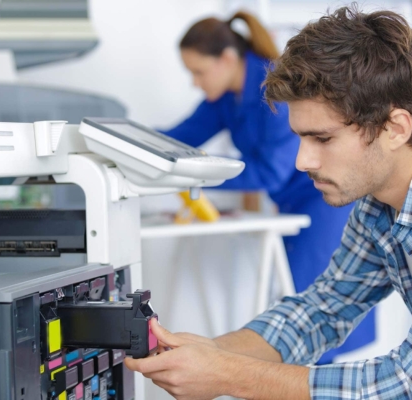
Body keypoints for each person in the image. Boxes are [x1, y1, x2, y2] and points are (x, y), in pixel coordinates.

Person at [126, 5, 412, 399]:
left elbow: (401, 382)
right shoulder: (375, 210)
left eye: (322, 139)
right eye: (300, 138)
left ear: (395, 129)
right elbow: (321, 310)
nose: (301, 161)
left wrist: (228, 374)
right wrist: (212, 351)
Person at [160, 10, 374, 362]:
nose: (195, 83)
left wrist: (199, 176)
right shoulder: (225, 99)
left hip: (322, 204)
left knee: (318, 308)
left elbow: (272, 173)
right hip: (288, 204)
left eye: (198, 72)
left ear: (228, 59)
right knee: (301, 307)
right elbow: (179, 138)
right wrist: (128, 140)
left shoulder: (273, 89)